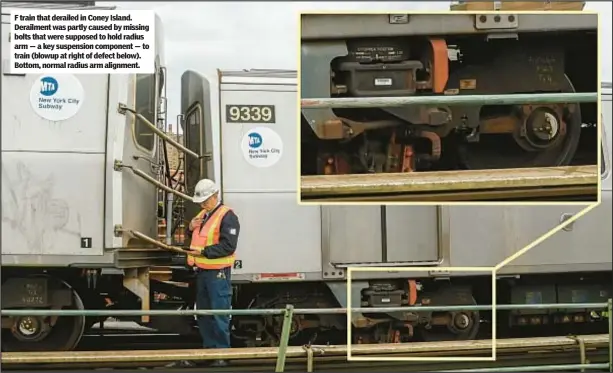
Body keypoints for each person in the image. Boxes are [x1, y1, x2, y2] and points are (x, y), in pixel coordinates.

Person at [167, 179, 240, 368]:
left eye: (206, 200)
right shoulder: (203, 215)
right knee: (204, 313)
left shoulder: (227, 216)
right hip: (203, 272)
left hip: (218, 273)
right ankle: (210, 350)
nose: (202, 204)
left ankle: (222, 353)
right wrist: (191, 229)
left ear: (216, 196)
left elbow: (228, 246)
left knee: (219, 313)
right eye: (201, 201)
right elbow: (197, 240)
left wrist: (204, 252)